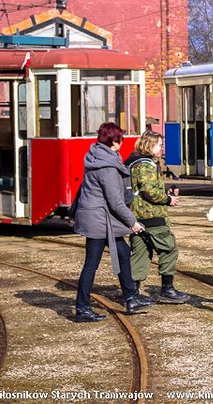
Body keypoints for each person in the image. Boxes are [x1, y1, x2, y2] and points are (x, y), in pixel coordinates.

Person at [73, 123, 152, 322]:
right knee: (91, 264)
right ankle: (82, 308)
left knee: (123, 253)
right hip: (99, 220)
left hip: (102, 217)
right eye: (121, 138)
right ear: (115, 141)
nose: (123, 141)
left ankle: (131, 297)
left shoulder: (99, 155)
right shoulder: (106, 165)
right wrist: (132, 222)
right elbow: (115, 201)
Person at [125, 131, 189, 304]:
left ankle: (133, 291)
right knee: (169, 248)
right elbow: (149, 191)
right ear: (149, 146)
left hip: (137, 217)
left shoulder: (135, 162)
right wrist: (169, 199)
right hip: (152, 216)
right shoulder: (145, 165)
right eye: (159, 145)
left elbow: (145, 189)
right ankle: (167, 289)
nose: (162, 148)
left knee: (141, 252)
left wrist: (166, 192)